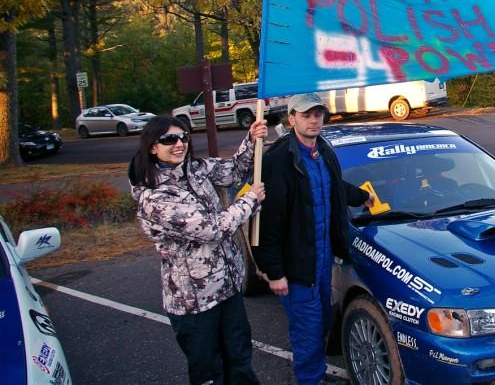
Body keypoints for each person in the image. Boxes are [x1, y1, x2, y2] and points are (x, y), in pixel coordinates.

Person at [129, 115, 267, 385]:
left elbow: (234, 170)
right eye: (169, 139)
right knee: (210, 372)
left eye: (183, 137)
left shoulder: (196, 168)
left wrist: (251, 139)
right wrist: (249, 201)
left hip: (227, 288)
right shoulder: (155, 197)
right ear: (152, 147)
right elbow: (211, 228)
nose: (179, 144)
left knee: (239, 359)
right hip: (194, 303)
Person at [255, 93, 374, 385]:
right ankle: (310, 379)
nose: (313, 120)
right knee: (307, 329)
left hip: (322, 259)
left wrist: (362, 196)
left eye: (318, 114)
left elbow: (333, 186)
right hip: (297, 265)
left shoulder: (323, 150)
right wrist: (274, 272)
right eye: (306, 115)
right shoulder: (279, 160)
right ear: (291, 117)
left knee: (319, 321)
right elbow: (267, 222)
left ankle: (315, 375)